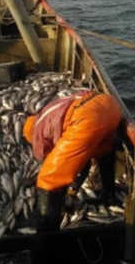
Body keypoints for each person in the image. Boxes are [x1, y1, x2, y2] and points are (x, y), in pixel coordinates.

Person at [22, 90, 122, 231]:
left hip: (87, 117)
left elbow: (50, 161)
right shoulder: (49, 111)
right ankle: (109, 194)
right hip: (109, 105)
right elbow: (80, 159)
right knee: (103, 151)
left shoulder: (37, 130)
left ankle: (47, 227)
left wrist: (58, 192)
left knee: (48, 179)